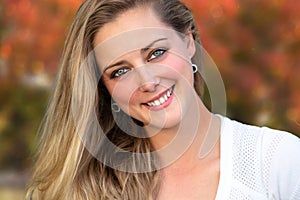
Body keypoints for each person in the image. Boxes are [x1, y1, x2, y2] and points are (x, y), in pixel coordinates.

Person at [26, 0, 300, 199]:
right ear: (103, 90)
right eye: (120, 71)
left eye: (156, 53)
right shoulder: (86, 190)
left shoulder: (277, 161)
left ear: (188, 41)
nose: (147, 81)